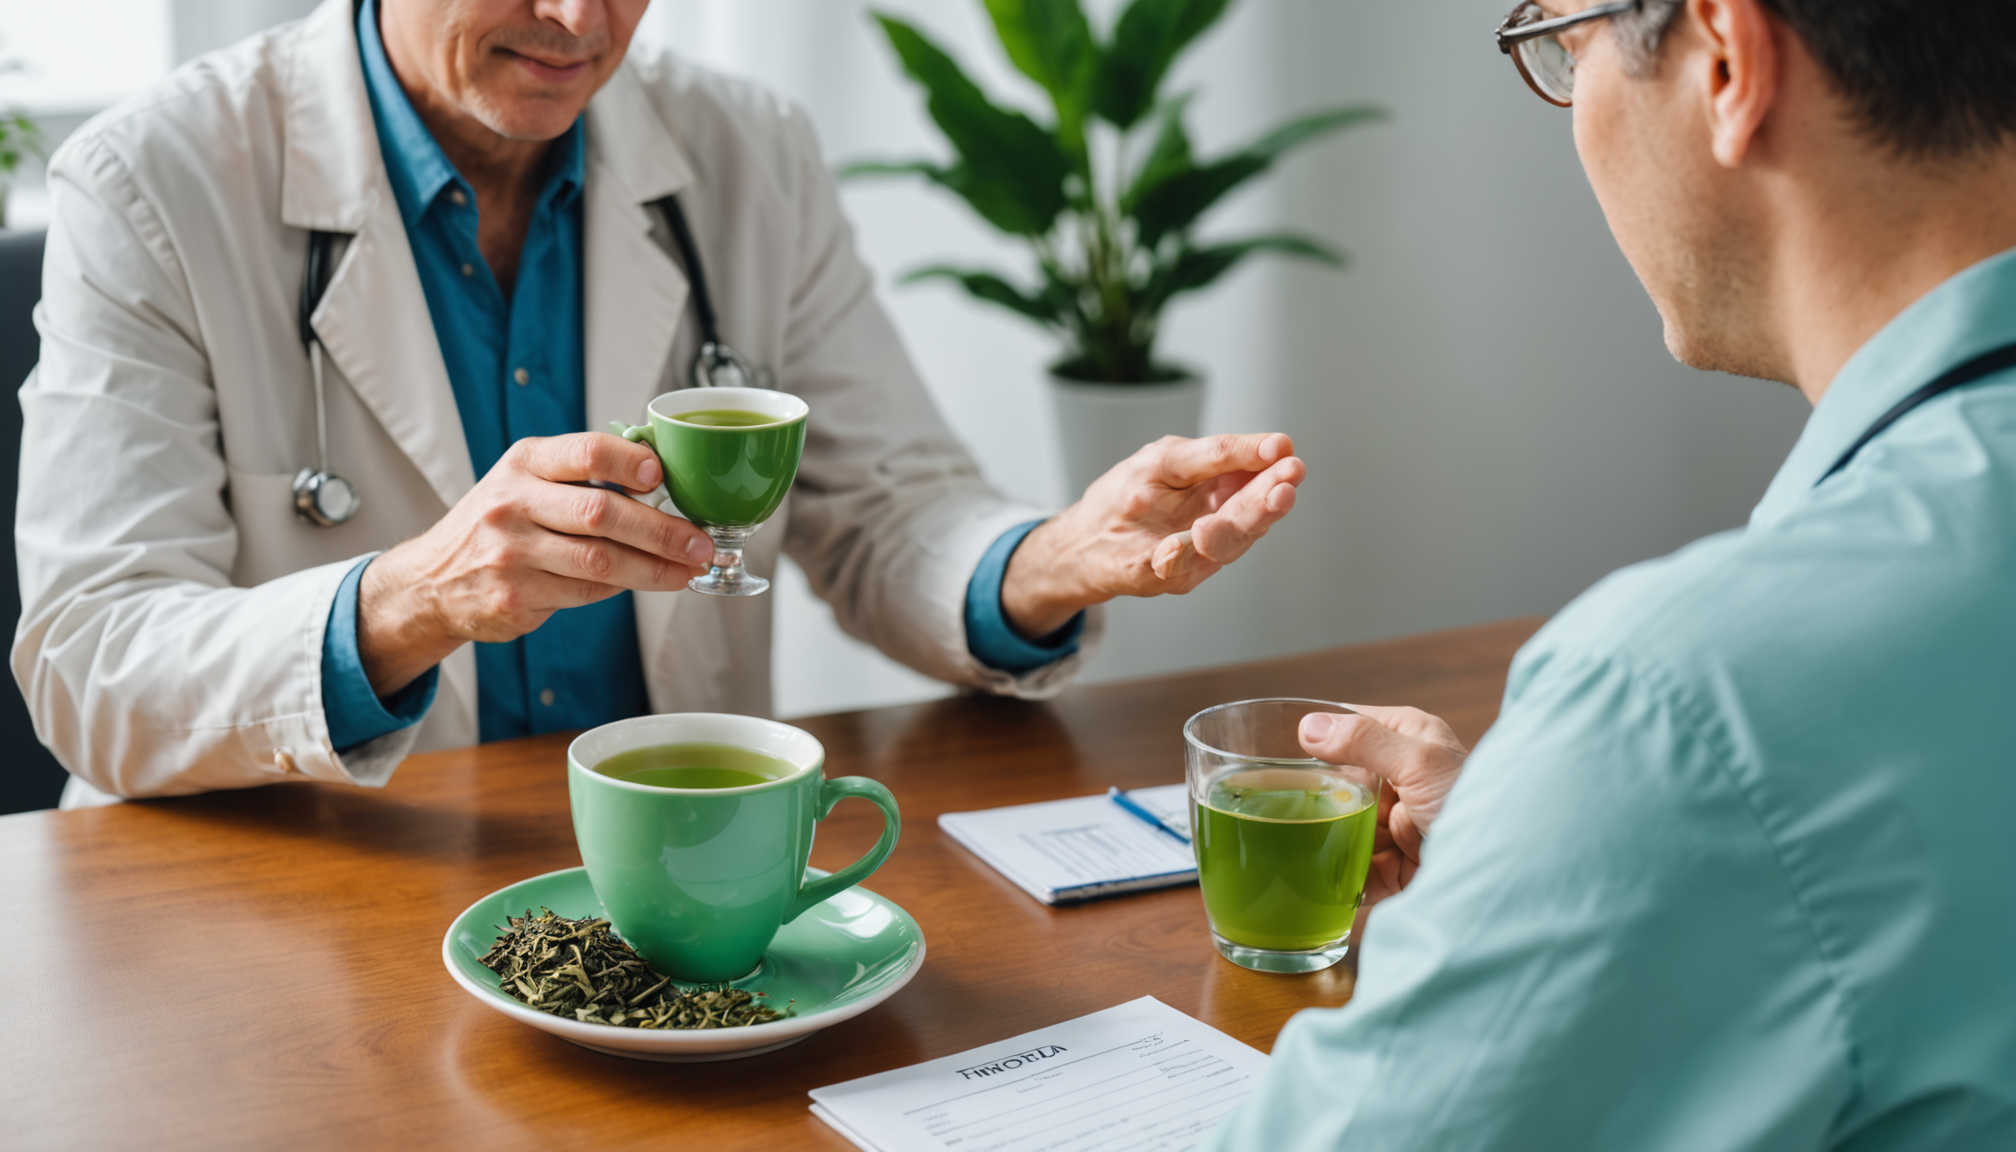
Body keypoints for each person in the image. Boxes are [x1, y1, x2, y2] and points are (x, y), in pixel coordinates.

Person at [12, 0, 1305, 804]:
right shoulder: (150, 183)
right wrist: (409, 600)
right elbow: (87, 663)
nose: (580, 20)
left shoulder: (747, 148)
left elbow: (886, 506)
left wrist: (1043, 562)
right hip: (305, 900)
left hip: (678, 896)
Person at [1206, 1, 2016, 1148]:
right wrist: (1539, 861)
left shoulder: (1687, 704)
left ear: (1728, 59)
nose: (1568, 103)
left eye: (1564, 39)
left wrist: (1613, 804)